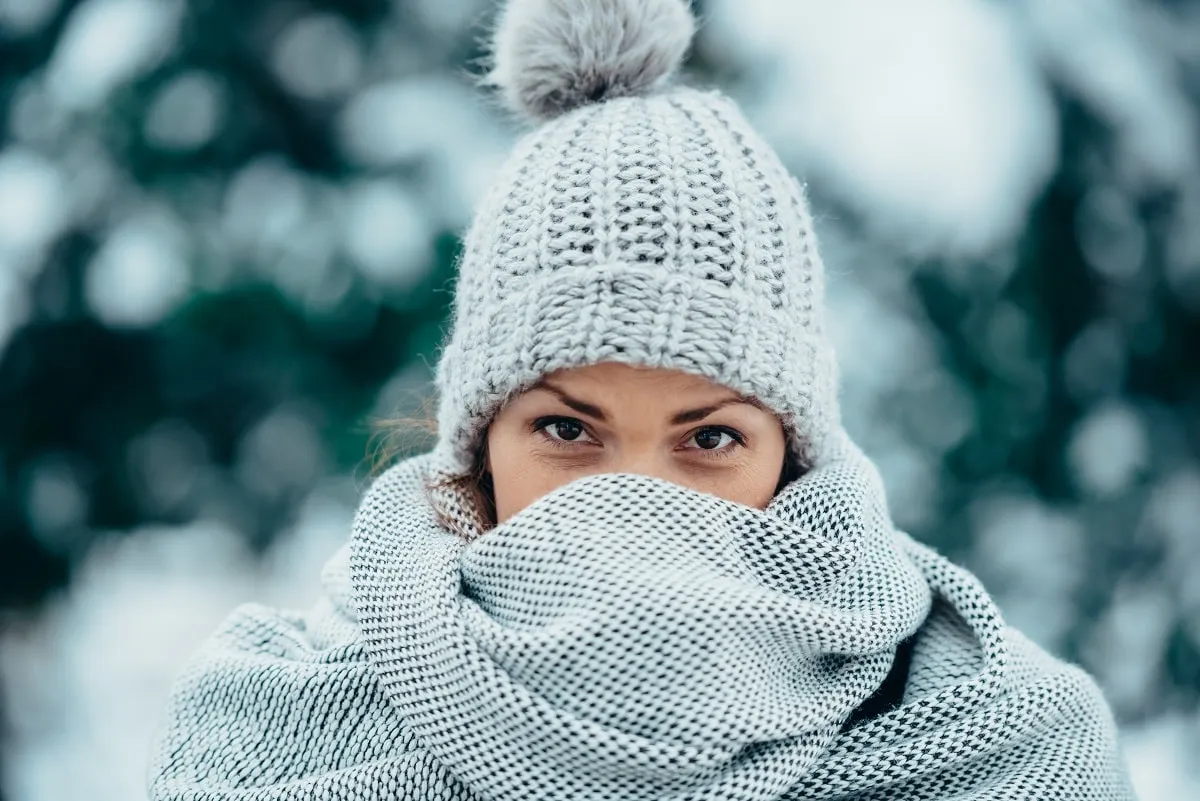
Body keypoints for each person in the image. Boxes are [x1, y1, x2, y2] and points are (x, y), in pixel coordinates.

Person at [146, 0, 1138, 798]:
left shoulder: (1005, 745)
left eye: (707, 437)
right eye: (568, 429)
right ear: (479, 444)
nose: (631, 498)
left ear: (793, 454)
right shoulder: (271, 733)